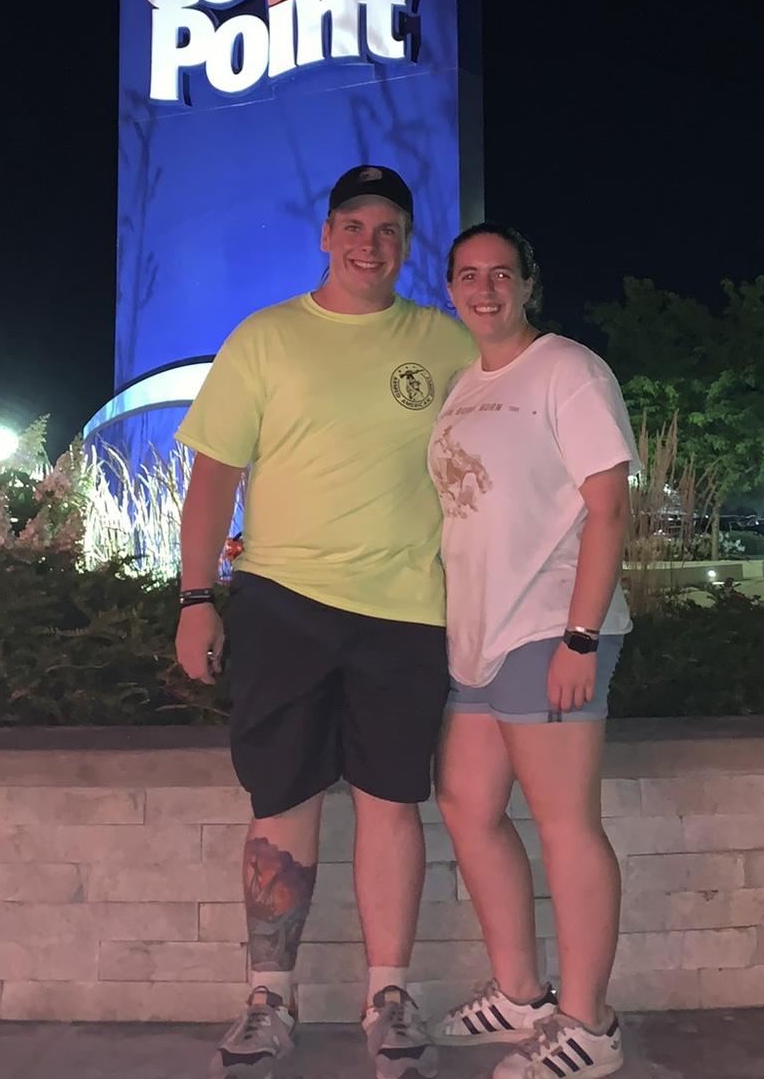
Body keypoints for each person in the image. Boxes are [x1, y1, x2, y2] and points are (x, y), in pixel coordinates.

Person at [175, 164, 474, 1079]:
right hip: (283, 603)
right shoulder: (265, 338)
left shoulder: (448, 343)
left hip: (408, 610)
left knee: (391, 800)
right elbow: (213, 478)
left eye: (388, 230)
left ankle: (388, 995)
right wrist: (195, 599)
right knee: (281, 800)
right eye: (353, 225)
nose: (368, 244)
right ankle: (270, 997)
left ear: (408, 244)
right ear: (326, 235)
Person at [427, 223, 634, 1079]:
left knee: (565, 825)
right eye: (469, 275)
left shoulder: (568, 371)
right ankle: (520, 995)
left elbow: (608, 507)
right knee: (465, 805)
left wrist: (580, 637)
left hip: (550, 625)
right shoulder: (464, 384)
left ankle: (589, 1025)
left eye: (501, 273)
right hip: (477, 635)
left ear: (527, 283)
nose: (485, 288)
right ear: (450, 288)